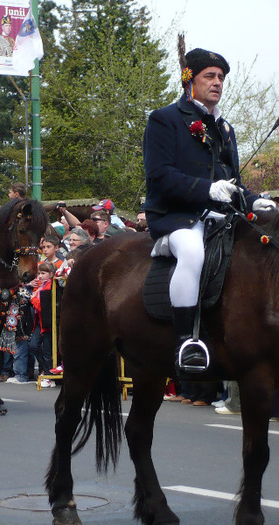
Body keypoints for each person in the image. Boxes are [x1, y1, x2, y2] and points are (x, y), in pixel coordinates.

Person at [143, 46, 276, 373]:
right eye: (210, 76)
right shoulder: (165, 119)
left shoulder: (225, 128)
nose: (217, 82)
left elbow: (232, 182)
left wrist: (254, 199)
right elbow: (159, 176)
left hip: (221, 216)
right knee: (192, 252)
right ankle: (186, 340)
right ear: (191, 80)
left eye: (221, 77)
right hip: (176, 218)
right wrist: (205, 189)